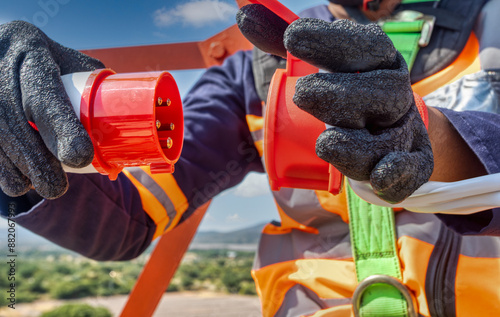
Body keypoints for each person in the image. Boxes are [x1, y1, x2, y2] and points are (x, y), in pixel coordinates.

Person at [1, 0, 499, 316]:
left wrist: (438, 141)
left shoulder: (491, 26)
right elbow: (127, 217)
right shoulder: (260, 69)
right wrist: (22, 143)